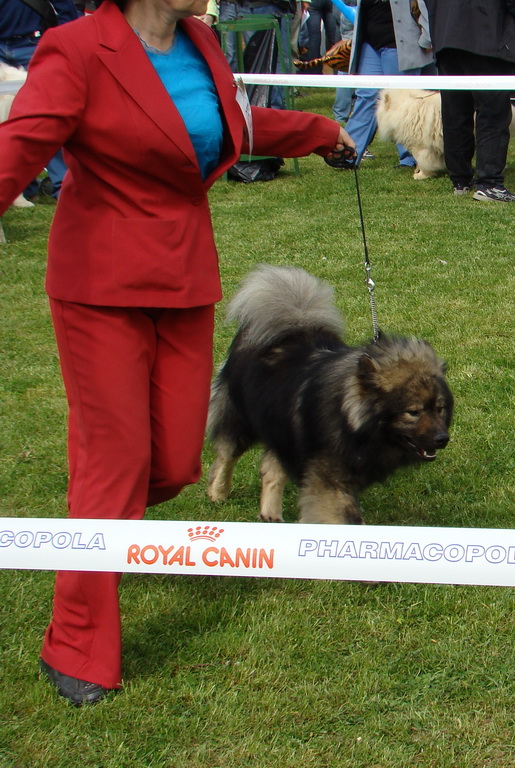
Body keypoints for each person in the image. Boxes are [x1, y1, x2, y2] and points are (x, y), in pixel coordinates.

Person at [0, 0, 354, 706]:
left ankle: (102, 518)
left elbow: (232, 125)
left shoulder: (199, 41)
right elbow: (19, 146)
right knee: (112, 464)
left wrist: (318, 130)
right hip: (100, 285)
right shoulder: (75, 49)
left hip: (184, 276)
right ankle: (76, 643)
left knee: (168, 464)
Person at [423, 0, 515, 202]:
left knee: (455, 109)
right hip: (488, 35)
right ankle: (489, 183)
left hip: (447, 38)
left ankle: (460, 180)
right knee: (492, 113)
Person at [338, 0, 433, 170]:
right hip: (370, 41)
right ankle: (347, 153)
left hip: (399, 42)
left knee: (404, 102)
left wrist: (428, 35)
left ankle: (410, 157)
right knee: (366, 95)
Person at [0, 0, 79, 200]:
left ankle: (64, 185)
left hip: (33, 43)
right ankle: (22, 189)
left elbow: (65, 10)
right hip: (4, 45)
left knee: (46, 118)